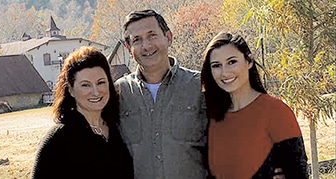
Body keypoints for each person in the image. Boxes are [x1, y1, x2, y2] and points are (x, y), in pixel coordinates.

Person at [201, 32, 308, 179]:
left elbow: (298, 174)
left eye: (232, 62)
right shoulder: (210, 116)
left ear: (249, 61)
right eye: (216, 65)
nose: (224, 73)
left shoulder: (276, 111)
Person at [115, 9, 208, 178]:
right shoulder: (119, 93)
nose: (147, 45)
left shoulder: (200, 86)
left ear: (169, 37)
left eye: (152, 35)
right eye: (137, 40)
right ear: (129, 48)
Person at [31, 46, 133, 179]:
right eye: (86, 85)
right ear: (71, 90)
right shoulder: (58, 140)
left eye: (101, 82)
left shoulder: (117, 128)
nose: (96, 92)